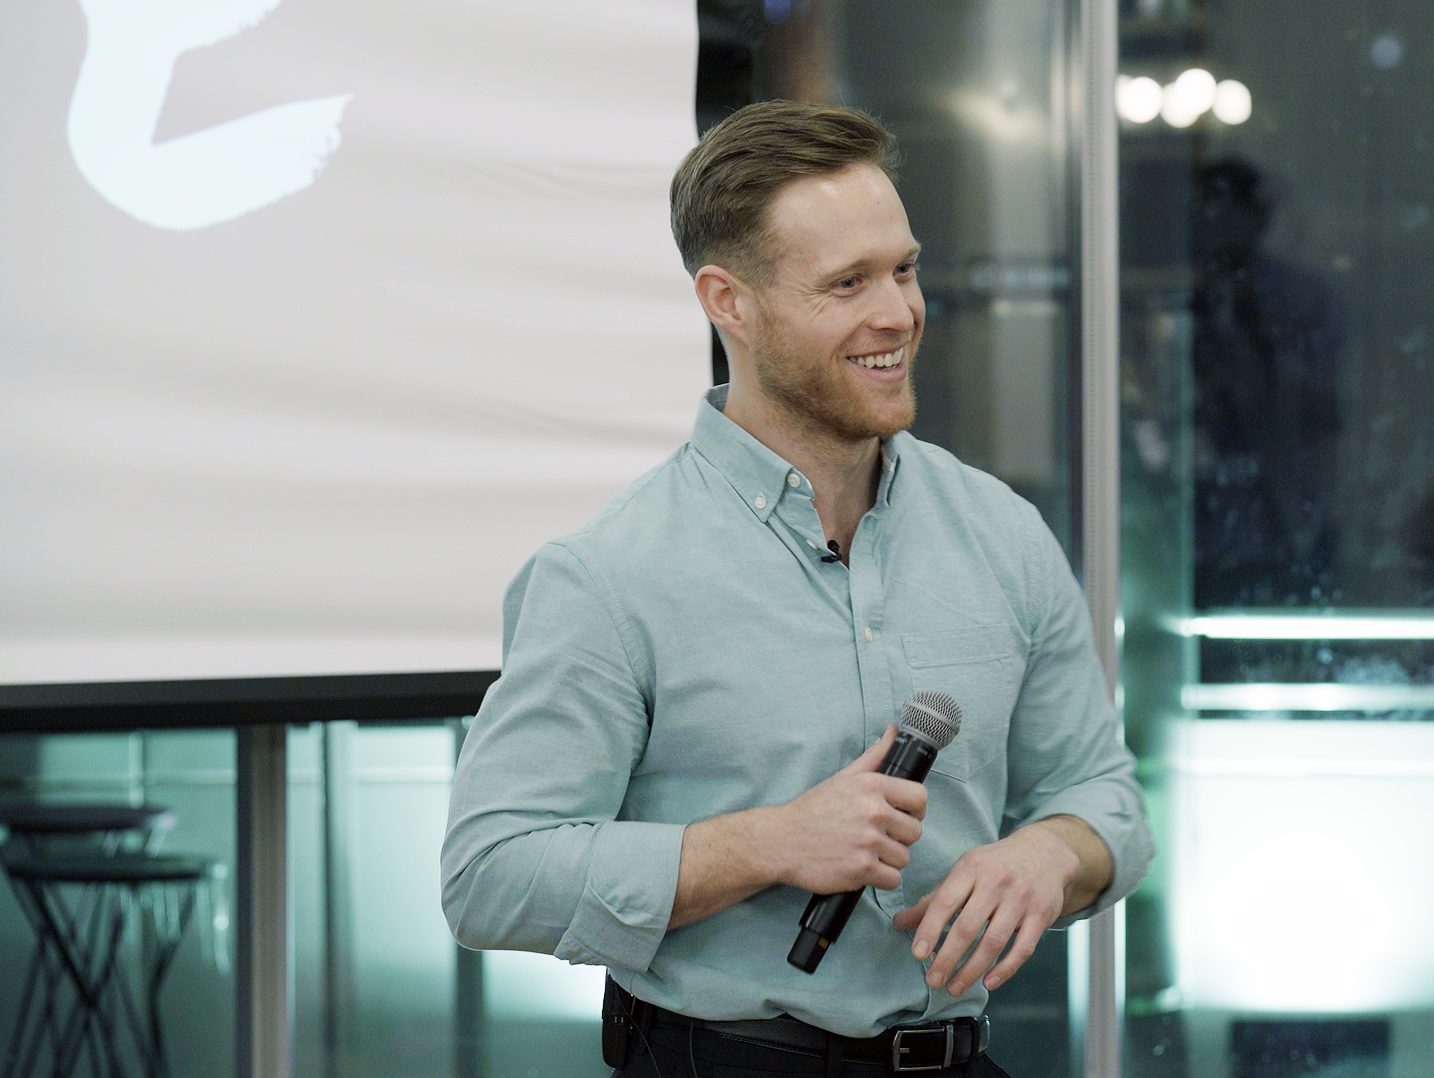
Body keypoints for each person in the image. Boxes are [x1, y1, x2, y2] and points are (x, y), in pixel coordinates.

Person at [442, 100, 1153, 1078]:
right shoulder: (609, 575)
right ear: (728, 302)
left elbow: (1104, 798)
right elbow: (489, 875)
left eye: (904, 269)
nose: (897, 312)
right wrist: (769, 843)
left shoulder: (1002, 533)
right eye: (847, 283)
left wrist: (1052, 854)